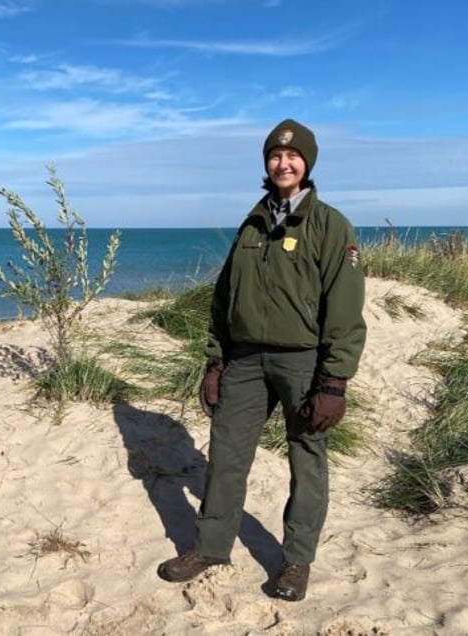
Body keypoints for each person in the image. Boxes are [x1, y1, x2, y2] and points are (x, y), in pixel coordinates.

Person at [157, 118, 367, 601]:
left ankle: (296, 562)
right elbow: (224, 298)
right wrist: (216, 361)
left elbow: (345, 307)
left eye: (292, 157)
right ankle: (209, 547)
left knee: (306, 461)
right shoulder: (252, 223)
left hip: (303, 362)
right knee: (226, 457)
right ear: (266, 164)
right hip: (246, 361)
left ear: (308, 164)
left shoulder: (331, 224)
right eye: (275, 156)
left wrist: (334, 382)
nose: (283, 162)